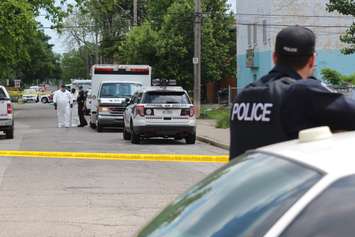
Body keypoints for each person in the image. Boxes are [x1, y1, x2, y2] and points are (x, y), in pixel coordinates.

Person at [230, 26, 355, 159]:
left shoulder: (243, 95)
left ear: (274, 57)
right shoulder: (301, 92)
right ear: (312, 60)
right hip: (286, 178)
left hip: (239, 179)